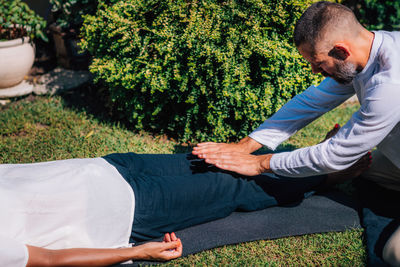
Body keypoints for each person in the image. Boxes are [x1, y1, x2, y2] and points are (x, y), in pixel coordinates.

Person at [193, 1, 400, 265]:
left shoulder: (391, 82)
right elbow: (311, 102)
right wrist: (245, 147)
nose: (314, 71)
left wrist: (259, 164)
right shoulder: (365, 55)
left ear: (340, 50)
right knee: (363, 170)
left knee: (393, 253)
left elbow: (334, 155)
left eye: (317, 63)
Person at [0, 136, 369, 267]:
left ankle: (315, 157)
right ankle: (329, 173)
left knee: (216, 159)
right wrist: (137, 253)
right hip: (131, 210)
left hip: (109, 166)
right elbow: (48, 259)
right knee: (234, 186)